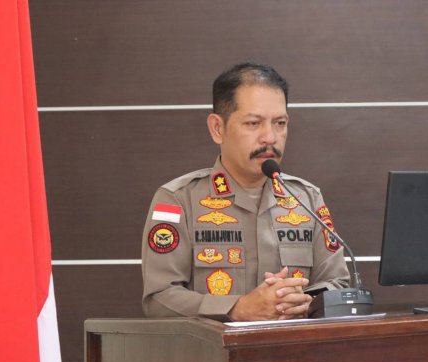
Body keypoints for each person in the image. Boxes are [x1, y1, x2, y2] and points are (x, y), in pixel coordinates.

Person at [141, 63, 350, 321]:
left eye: (280, 123)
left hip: (292, 345)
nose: (270, 137)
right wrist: (237, 308)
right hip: (213, 347)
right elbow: (159, 299)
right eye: (253, 123)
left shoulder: (306, 199)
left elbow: (338, 285)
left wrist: (304, 302)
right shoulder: (177, 200)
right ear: (218, 128)